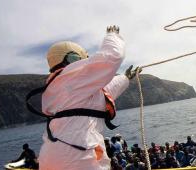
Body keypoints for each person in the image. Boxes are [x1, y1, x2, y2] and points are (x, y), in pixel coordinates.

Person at [38, 26, 140, 170]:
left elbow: (101, 94)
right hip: (78, 155)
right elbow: (112, 56)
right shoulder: (73, 76)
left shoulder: (58, 87)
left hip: (50, 157)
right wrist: (113, 35)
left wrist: (125, 78)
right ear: (73, 57)